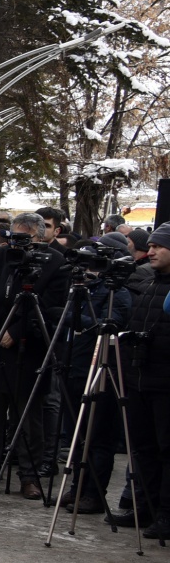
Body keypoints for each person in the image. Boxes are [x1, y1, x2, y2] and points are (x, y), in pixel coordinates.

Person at [0, 212, 65, 499]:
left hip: (29, 350)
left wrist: (20, 330)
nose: (20, 244)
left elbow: (53, 307)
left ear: (41, 238)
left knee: (29, 421)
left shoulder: (54, 262)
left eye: (27, 239)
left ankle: (29, 477)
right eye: (15, 237)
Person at [120, 225, 170, 538]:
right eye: (149, 246)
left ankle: (166, 514)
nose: (150, 251)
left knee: (167, 451)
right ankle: (146, 508)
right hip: (140, 380)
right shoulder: (150, 284)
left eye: (158, 247)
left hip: (165, 385)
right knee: (143, 449)